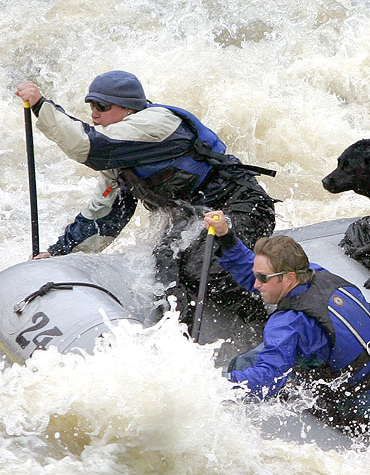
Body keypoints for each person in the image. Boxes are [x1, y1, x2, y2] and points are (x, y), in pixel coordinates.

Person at [14, 71, 276, 319]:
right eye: (91, 106)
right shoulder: (120, 156)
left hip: (240, 206)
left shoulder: (157, 125)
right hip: (196, 220)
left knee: (201, 270)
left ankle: (273, 319)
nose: (94, 114)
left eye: (102, 107)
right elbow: (104, 218)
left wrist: (40, 107)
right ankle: (179, 338)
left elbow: (87, 146)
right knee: (163, 271)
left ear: (129, 108)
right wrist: (58, 252)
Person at [204, 212, 370, 436]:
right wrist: (226, 237)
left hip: (362, 414)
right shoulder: (318, 273)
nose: (256, 284)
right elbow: (261, 273)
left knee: (246, 362)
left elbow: (266, 379)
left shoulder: (287, 325)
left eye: (262, 279)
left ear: (289, 278)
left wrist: (213, 385)